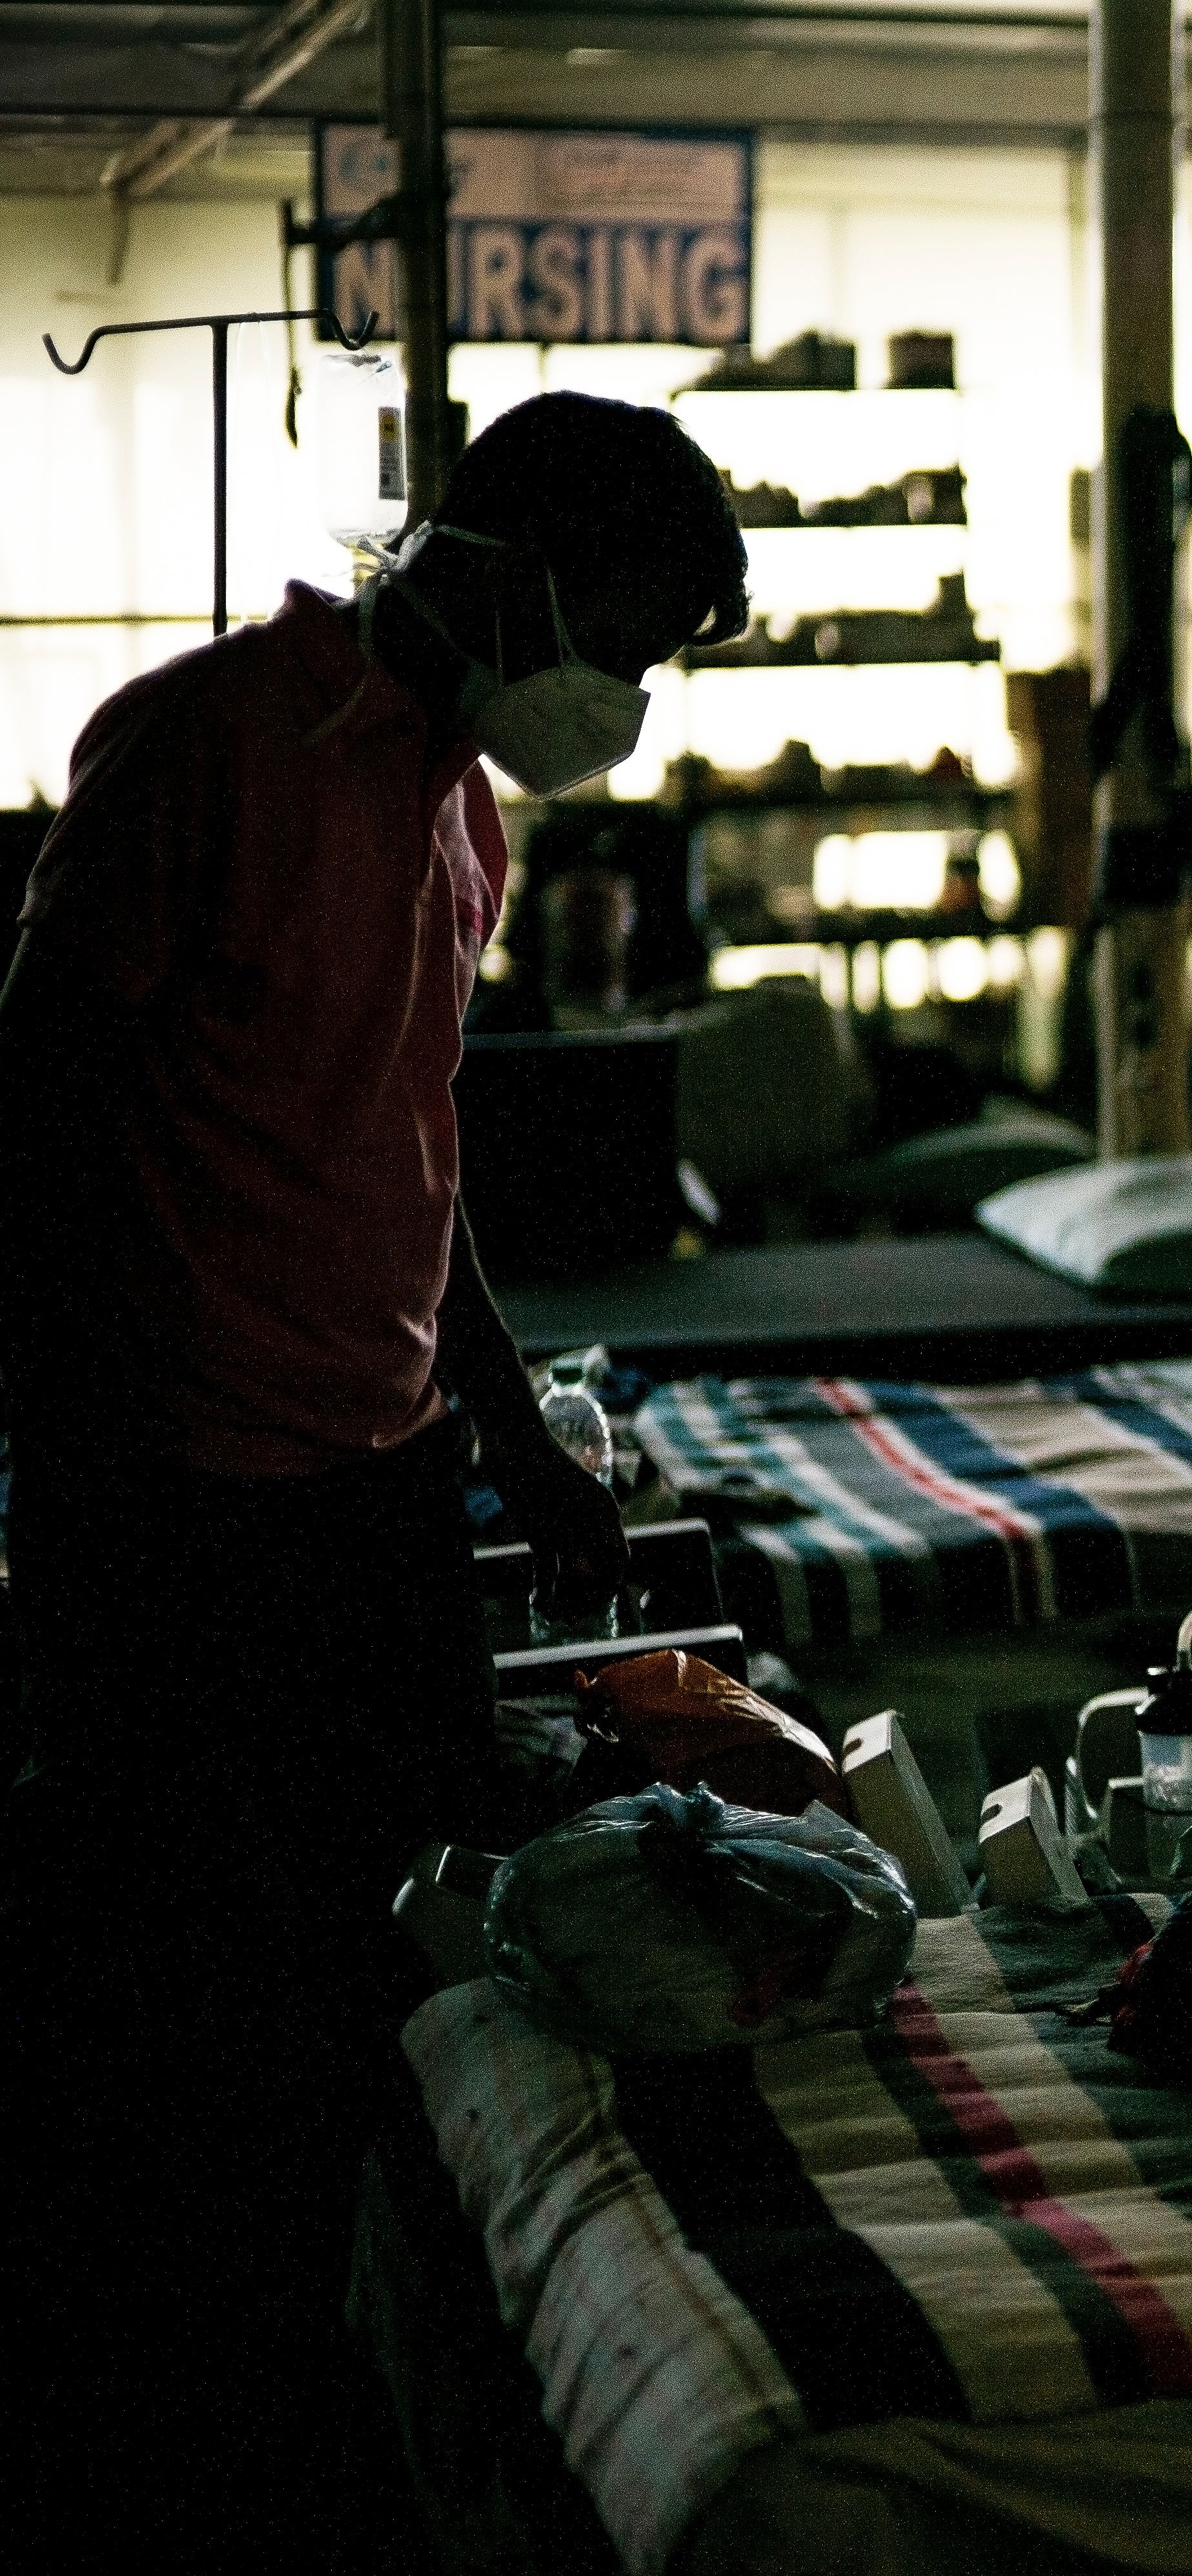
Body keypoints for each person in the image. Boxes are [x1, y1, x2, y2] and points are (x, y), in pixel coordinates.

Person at [0, 390, 743, 2560]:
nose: (628, 693)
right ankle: (172, 2440)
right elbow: (34, 1120)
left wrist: (513, 1438)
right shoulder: (205, 750)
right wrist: (81, 1488)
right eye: (627, 633)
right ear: (505, 567)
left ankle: (380, 2391)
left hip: (376, 1492)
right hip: (175, 1502)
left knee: (404, 1965)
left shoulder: (463, 820)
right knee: (179, 2002)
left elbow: (415, 1163)